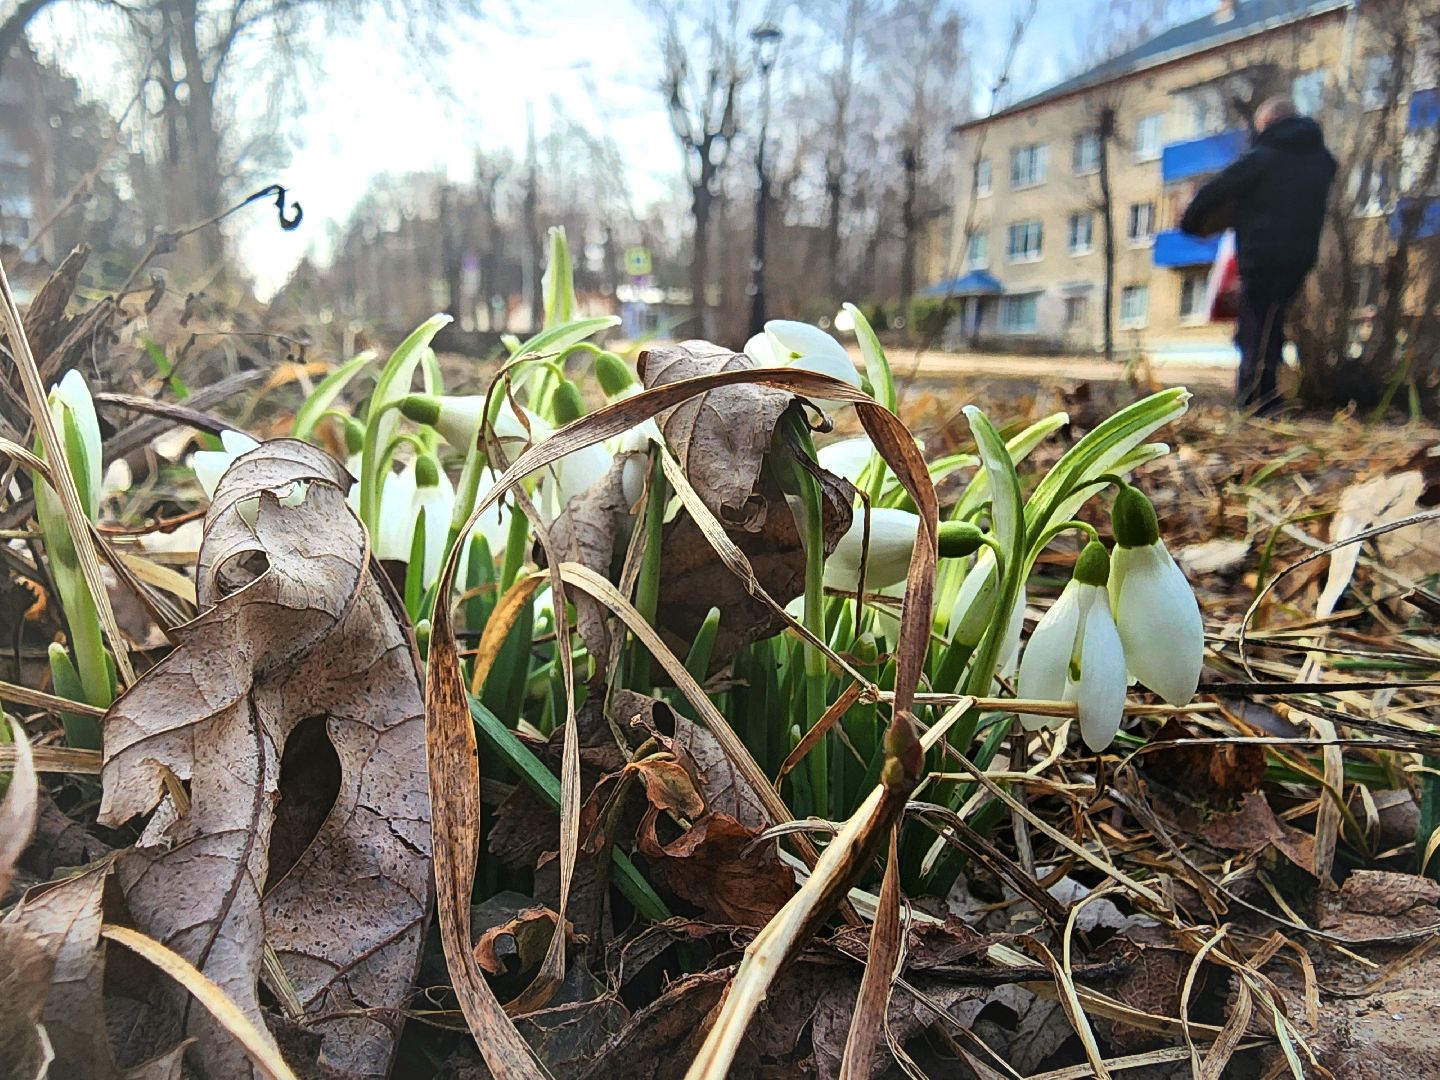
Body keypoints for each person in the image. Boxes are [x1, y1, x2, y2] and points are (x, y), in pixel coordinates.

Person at [1180, 96, 1336, 412]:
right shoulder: (1321, 162)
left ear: (1267, 124)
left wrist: (1193, 219)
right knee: (1271, 322)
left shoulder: (1263, 159)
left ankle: (1253, 400)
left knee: (1255, 326)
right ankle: (1266, 393)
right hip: (1300, 255)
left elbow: (1216, 192)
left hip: (1262, 254)